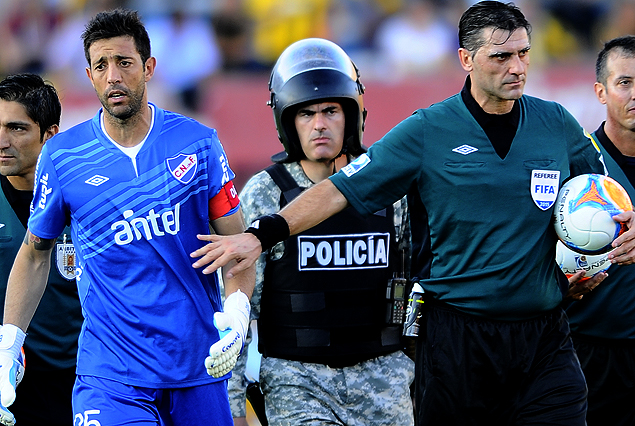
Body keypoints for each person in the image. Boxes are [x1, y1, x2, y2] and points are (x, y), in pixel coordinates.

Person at [191, 2, 635, 425]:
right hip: (458, 339)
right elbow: (339, 190)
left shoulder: (557, 123)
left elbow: (604, 195)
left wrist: (624, 233)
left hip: (545, 337)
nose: (517, 67)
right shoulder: (427, 130)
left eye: (523, 53)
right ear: (466, 59)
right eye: (501, 56)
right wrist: (262, 234)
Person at [0, 9, 255, 426]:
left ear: (148, 67)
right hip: (110, 374)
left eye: (124, 62)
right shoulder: (63, 156)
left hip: (197, 364)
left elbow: (238, 245)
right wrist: (10, 342)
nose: (113, 76)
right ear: (89, 75)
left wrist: (238, 311)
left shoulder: (198, 142)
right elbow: (34, 253)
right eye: (101, 65)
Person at [227, 38, 415, 426]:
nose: (319, 125)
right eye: (306, 113)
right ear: (287, 122)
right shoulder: (265, 193)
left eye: (331, 111)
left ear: (352, 115)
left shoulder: (389, 187)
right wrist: (232, 407)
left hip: (386, 380)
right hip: (297, 382)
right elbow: (239, 308)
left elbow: (420, 283)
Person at [0, 73, 82, 426]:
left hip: (83, 378)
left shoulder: (86, 200)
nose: (2, 141)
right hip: (9, 381)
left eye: (16, 128)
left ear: (50, 134)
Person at [565, 35, 635, 426]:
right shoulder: (576, 165)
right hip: (591, 350)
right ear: (601, 92)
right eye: (624, 82)